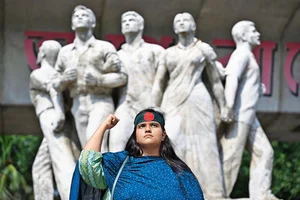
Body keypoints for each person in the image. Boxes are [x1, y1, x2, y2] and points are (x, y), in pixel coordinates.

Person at [151, 12, 227, 199]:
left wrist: (224, 106)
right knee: (171, 142)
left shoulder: (203, 49)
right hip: (172, 100)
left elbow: (215, 81)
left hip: (198, 98)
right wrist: (153, 107)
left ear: (193, 26)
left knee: (205, 145)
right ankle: (172, 190)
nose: (182, 23)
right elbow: (158, 83)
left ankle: (212, 192)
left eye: (186, 20)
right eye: (178, 21)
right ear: (174, 28)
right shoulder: (168, 54)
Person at [77, 108, 204, 200]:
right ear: (136, 136)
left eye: (154, 125)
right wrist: (103, 127)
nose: (148, 129)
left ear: (163, 135)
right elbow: (87, 163)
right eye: (142, 126)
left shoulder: (180, 171)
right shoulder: (120, 164)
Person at [53, 5, 127, 151]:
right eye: (76, 16)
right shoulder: (65, 52)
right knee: (87, 148)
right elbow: (55, 84)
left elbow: (122, 77)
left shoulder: (105, 47)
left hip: (100, 100)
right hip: (78, 104)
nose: (80, 18)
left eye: (84, 15)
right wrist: (64, 80)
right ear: (72, 25)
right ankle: (93, 174)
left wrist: (99, 80)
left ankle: (105, 174)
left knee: (95, 141)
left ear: (93, 23)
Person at [221, 20, 280, 200]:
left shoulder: (248, 56)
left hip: (249, 115)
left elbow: (244, 81)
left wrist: (257, 87)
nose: (258, 34)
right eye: (254, 31)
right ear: (244, 35)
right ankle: (217, 195)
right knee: (231, 157)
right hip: (239, 114)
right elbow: (231, 78)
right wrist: (229, 106)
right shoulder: (241, 54)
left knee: (265, 152)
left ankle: (261, 194)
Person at [109, 11, 164, 152]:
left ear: (141, 25)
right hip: (125, 105)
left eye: (131, 20)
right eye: (124, 21)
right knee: (116, 142)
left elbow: (171, 71)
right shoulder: (117, 55)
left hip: (148, 104)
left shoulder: (155, 50)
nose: (127, 22)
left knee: (151, 149)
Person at [30, 40, 76, 200]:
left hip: (51, 116)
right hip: (61, 117)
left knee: (62, 159)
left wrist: (59, 113)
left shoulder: (38, 74)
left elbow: (52, 88)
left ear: (41, 53)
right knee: (40, 166)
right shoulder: (59, 76)